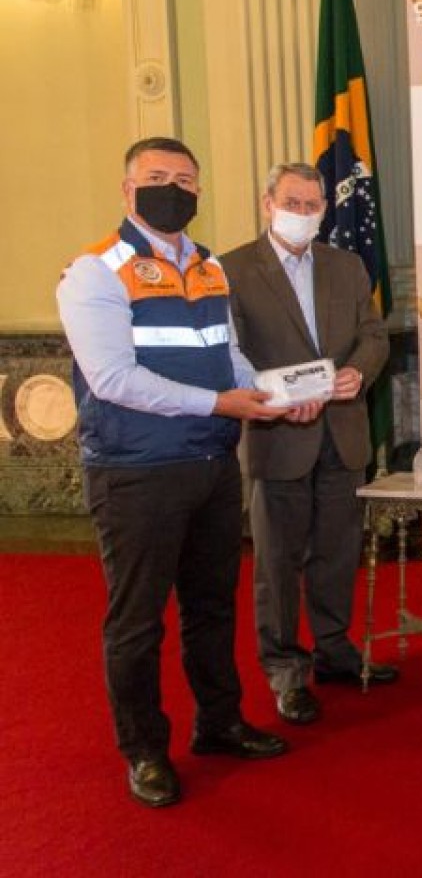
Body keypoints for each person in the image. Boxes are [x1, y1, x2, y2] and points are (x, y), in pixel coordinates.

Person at [56, 137, 290, 809]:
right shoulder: (96, 271)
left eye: (186, 180)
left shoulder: (208, 265)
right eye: (157, 176)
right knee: (137, 621)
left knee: (212, 608)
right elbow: (112, 379)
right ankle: (144, 750)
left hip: (212, 463)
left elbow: (229, 356)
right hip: (136, 471)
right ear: (128, 189)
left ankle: (219, 722)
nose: (174, 188)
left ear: (199, 192)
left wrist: (272, 393)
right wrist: (220, 403)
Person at [220, 163, 393, 727]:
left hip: (342, 433)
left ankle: (334, 650)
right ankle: (285, 671)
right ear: (267, 203)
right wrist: (274, 395)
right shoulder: (232, 270)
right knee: (277, 562)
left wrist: (358, 373)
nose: (302, 213)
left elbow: (373, 335)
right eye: (291, 203)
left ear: (324, 208)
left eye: (312, 204)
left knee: (337, 553)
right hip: (278, 435)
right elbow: (230, 352)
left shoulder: (347, 265)